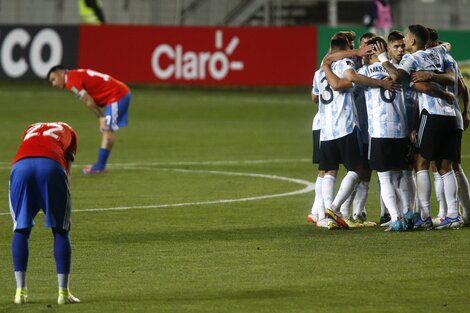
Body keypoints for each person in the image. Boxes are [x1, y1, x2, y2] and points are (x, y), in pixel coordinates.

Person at [376, 24, 461, 229]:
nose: (404, 39)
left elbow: (397, 76)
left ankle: (423, 215)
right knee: (445, 167)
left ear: (413, 41)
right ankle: (453, 214)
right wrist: (445, 91)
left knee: (420, 163)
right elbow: (448, 52)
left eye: (406, 36)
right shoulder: (438, 52)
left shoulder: (411, 59)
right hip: (450, 115)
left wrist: (381, 58)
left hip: (431, 115)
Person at [9, 122, 80, 305]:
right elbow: (67, 170)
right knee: (61, 230)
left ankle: (20, 293)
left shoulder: (30, 128)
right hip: (51, 166)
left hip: (21, 167)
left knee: (21, 229)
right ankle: (63, 293)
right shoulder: (70, 131)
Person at [47, 65, 131, 174]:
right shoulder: (74, 75)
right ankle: (100, 165)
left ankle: (100, 166)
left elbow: (89, 101)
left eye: (53, 79)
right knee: (108, 129)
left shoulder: (71, 81)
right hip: (117, 93)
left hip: (117, 95)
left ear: (60, 73)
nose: (54, 84)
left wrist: (101, 117)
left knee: (107, 129)